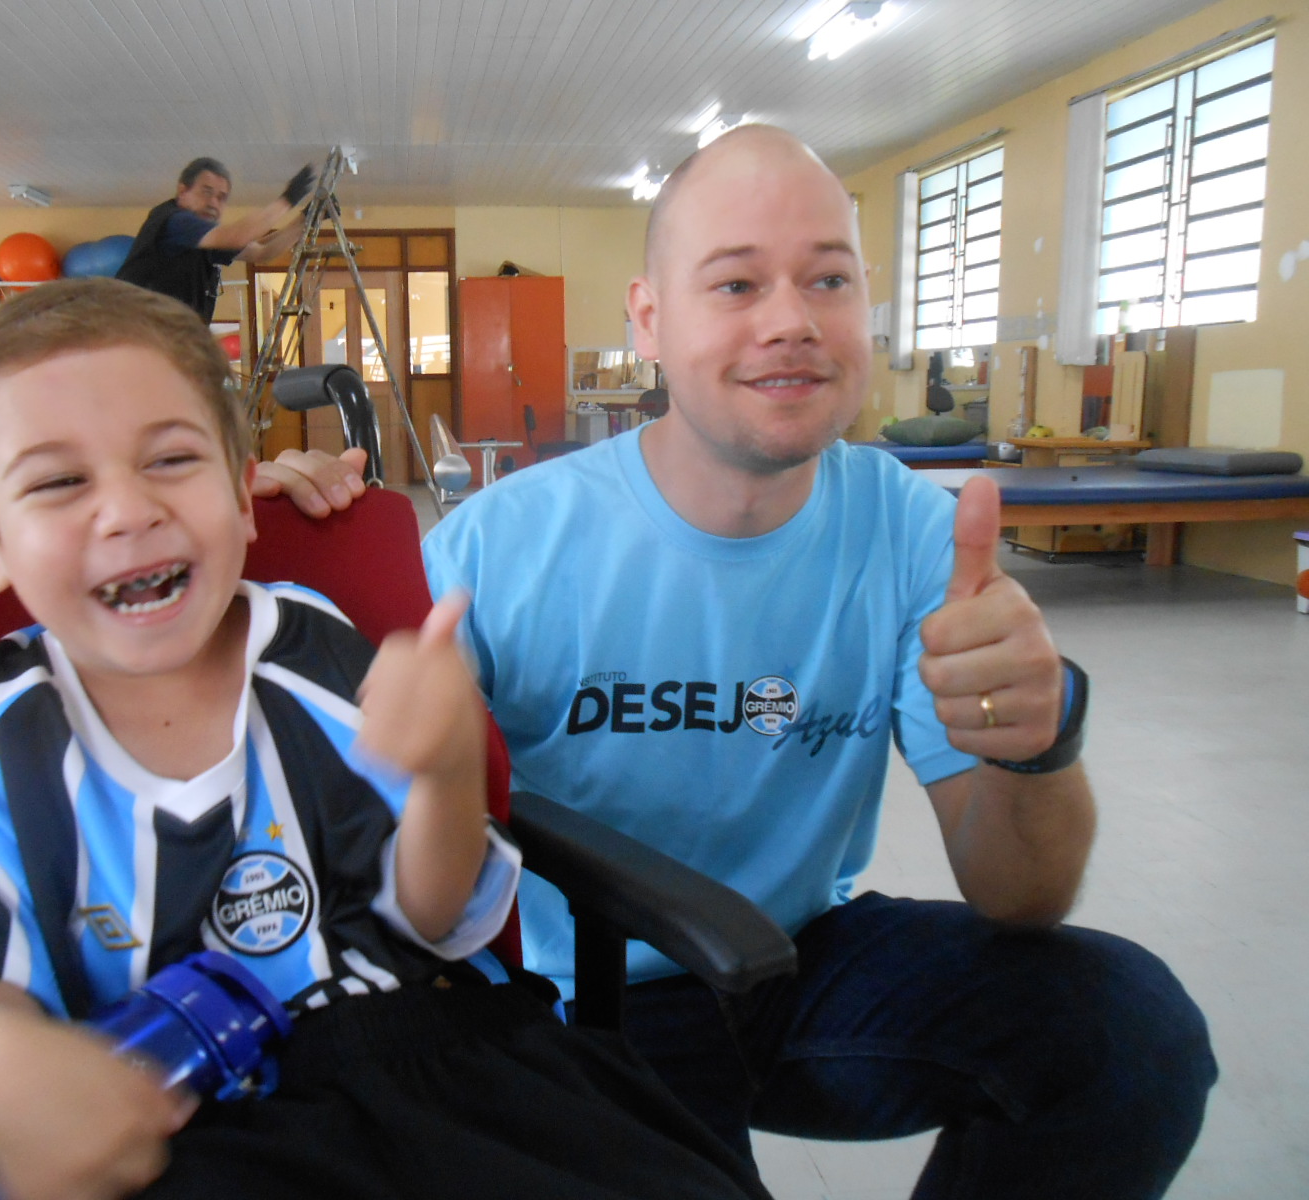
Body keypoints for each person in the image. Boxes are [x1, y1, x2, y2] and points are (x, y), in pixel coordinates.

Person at [419, 126, 1217, 1198]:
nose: (790, 321)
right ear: (649, 320)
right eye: (737, 282)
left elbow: (1019, 895)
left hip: (793, 962)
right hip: (582, 997)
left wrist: (1037, 745)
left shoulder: (913, 532)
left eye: (827, 279)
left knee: (1128, 1033)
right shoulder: (490, 548)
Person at [0, 276, 771, 1200]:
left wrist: (447, 768)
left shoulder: (310, 646)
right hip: (171, 1113)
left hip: (432, 1057)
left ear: (239, 491)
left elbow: (430, 922)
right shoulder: (8, 720)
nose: (126, 510)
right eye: (61, 481)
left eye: (171, 460)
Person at [115, 156, 315, 323]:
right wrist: (288, 199)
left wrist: (305, 219)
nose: (213, 203)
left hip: (167, 339)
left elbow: (262, 251)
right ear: (183, 191)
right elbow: (238, 236)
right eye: (206, 192)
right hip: (136, 334)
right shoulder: (177, 222)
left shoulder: (205, 239)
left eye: (221, 197)